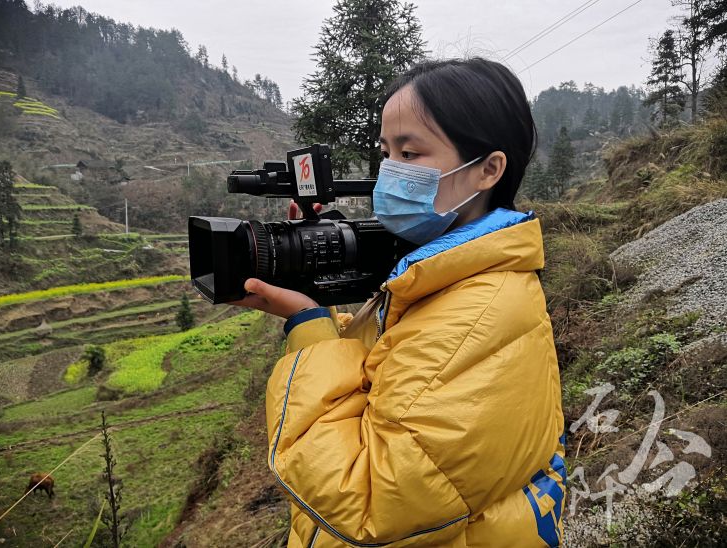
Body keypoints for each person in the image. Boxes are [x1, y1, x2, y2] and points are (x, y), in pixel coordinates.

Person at [231, 57, 566, 547]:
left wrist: (309, 330)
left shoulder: (478, 312)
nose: (389, 171)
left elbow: (367, 502)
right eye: (386, 152)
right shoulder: (443, 279)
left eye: (410, 154)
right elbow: (395, 373)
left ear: (488, 170)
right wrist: (320, 308)